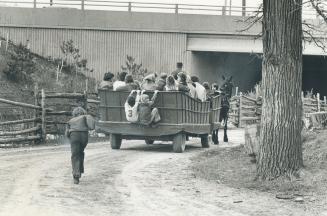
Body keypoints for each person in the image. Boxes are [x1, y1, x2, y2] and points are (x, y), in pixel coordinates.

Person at [66, 107, 95, 184]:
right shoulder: (86, 117)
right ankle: (80, 171)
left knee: (75, 155)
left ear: (74, 113)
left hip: (74, 136)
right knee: (81, 153)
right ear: (82, 112)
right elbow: (91, 127)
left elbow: (67, 134)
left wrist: (71, 138)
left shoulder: (70, 121)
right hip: (84, 137)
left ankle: (76, 176)